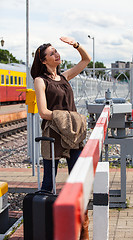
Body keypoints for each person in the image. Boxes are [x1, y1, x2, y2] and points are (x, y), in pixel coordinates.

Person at [31, 36, 91, 240]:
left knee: (78, 181)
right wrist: (67, 117)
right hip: (53, 135)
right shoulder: (40, 80)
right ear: (44, 61)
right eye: (52, 53)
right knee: (49, 182)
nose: (57, 54)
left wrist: (75, 45)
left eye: (57, 51)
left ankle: (83, 230)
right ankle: (45, 227)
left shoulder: (64, 77)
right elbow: (43, 112)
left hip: (72, 135)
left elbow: (86, 61)